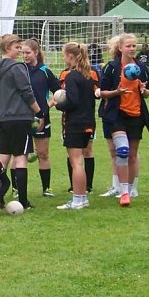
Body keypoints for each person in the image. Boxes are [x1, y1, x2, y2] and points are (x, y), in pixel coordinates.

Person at [0, 34, 44, 210]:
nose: (20, 51)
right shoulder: (17, 67)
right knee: (20, 158)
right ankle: (23, 201)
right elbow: (26, 91)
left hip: (2, 118)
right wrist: (39, 111)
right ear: (7, 49)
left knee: (4, 157)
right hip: (20, 117)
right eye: (16, 47)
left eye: (20, 47)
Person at [98, 33, 149, 207]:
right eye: (128, 46)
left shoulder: (141, 67)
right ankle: (124, 192)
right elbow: (101, 93)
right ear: (120, 48)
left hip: (136, 115)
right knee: (122, 151)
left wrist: (144, 91)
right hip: (116, 115)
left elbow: (148, 93)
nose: (131, 49)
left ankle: (132, 187)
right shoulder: (112, 67)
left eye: (134, 46)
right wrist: (117, 92)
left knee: (133, 155)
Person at [53, 42, 97, 210]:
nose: (64, 58)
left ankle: (78, 199)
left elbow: (72, 101)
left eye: (64, 55)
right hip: (88, 123)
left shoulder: (72, 76)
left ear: (70, 56)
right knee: (80, 161)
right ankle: (82, 197)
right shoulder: (87, 75)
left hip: (76, 124)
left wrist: (58, 104)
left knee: (76, 162)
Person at [22, 39, 60, 197]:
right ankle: (17, 189)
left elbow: (59, 92)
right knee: (19, 154)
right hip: (22, 118)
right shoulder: (19, 69)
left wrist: (48, 105)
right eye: (22, 52)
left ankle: (46, 188)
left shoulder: (45, 71)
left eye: (27, 52)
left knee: (43, 153)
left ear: (36, 52)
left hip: (40, 119)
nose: (24, 55)